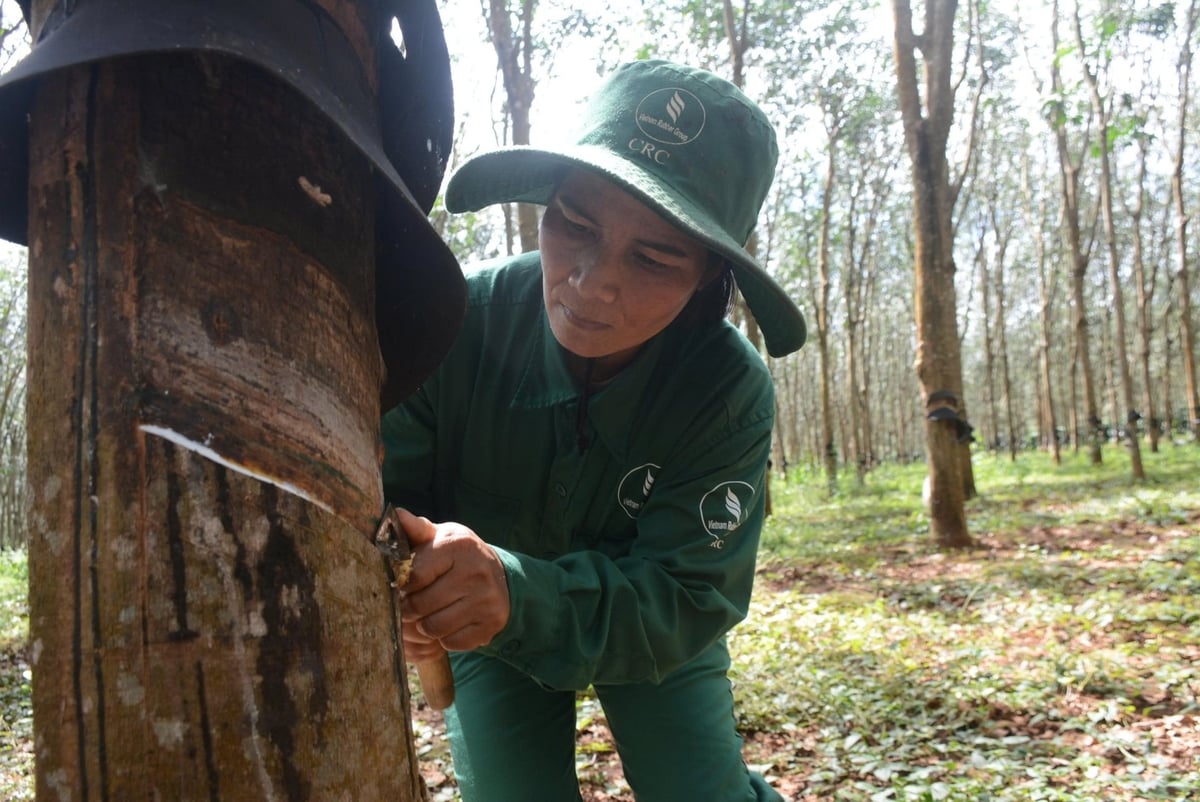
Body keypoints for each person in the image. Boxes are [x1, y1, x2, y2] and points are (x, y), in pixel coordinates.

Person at [382, 59, 806, 802]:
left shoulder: (726, 393)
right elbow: (384, 497)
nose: (592, 282)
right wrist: (407, 589)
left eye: (653, 258)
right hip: (486, 633)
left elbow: (686, 595)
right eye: (575, 224)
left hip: (651, 636)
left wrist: (520, 591)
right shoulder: (450, 330)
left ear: (708, 276)